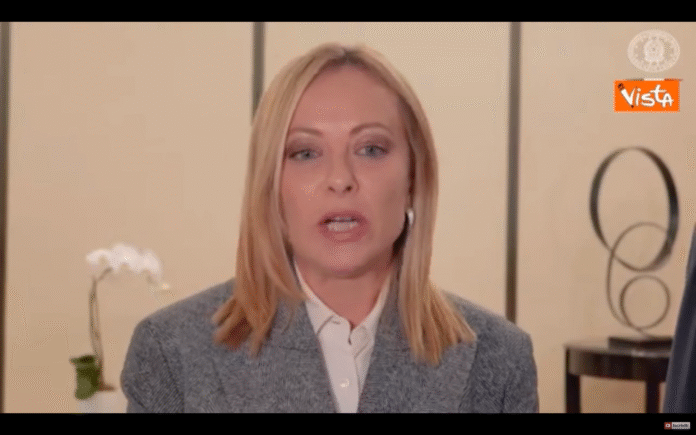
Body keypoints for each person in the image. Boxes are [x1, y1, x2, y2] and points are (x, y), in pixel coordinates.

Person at [120, 42, 539, 413]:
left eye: (370, 149)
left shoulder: (500, 359)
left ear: (414, 177)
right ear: (270, 185)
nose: (340, 179)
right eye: (305, 153)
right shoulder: (171, 353)